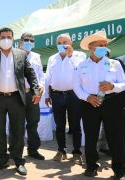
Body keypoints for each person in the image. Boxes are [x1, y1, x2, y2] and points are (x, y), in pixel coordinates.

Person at [0, 27, 40, 176]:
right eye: (3, 37)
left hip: (16, 97)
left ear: (13, 39)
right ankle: (2, 159)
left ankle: (18, 161)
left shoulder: (21, 54)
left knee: (18, 130)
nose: (6, 39)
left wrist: (36, 90)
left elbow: (30, 74)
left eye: (9, 37)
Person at [74, 30, 125, 179]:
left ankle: (119, 169)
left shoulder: (115, 63)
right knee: (90, 137)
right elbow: (76, 87)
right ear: (90, 47)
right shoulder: (81, 65)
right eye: (100, 45)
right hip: (89, 103)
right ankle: (91, 167)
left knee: (115, 137)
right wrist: (87, 97)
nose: (104, 47)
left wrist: (112, 86)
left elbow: (124, 83)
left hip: (112, 102)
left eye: (105, 45)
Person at [44, 33, 85, 165]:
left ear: (71, 43)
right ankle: (61, 150)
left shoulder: (80, 56)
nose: (62, 44)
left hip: (74, 94)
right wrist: (46, 95)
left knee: (75, 125)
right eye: (60, 42)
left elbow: (79, 71)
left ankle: (77, 152)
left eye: (65, 42)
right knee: (60, 125)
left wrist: (70, 56)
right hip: (57, 95)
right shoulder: (52, 58)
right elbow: (48, 78)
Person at [8, 32, 45, 160]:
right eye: (26, 40)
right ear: (21, 42)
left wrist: (41, 85)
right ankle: (14, 151)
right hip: (17, 94)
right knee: (16, 124)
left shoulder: (37, 56)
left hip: (32, 94)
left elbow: (40, 74)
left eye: (31, 40)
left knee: (33, 122)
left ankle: (33, 150)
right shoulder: (13, 54)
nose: (29, 42)